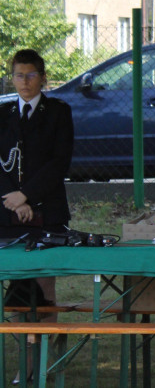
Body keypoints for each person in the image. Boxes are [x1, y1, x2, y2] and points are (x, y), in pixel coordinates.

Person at [0, 49, 73, 382]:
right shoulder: (2, 113)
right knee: (16, 291)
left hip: (47, 210)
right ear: (11, 77)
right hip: (8, 213)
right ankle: (23, 364)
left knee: (44, 289)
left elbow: (59, 162)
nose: (24, 82)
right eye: (18, 75)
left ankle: (45, 363)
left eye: (31, 75)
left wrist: (27, 195)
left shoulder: (58, 112)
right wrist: (13, 200)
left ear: (42, 77)